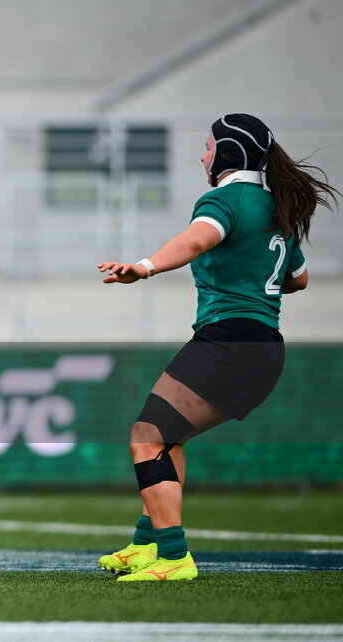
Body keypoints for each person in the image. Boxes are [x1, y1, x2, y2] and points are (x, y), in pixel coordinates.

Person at [96, 114, 339, 581]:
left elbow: (196, 240)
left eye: (208, 147)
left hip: (229, 341)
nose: (202, 156)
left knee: (146, 438)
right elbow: (299, 279)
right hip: (263, 345)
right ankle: (147, 544)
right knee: (164, 437)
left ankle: (173, 557)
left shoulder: (225, 199)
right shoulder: (277, 205)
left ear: (227, 153)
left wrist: (143, 267)